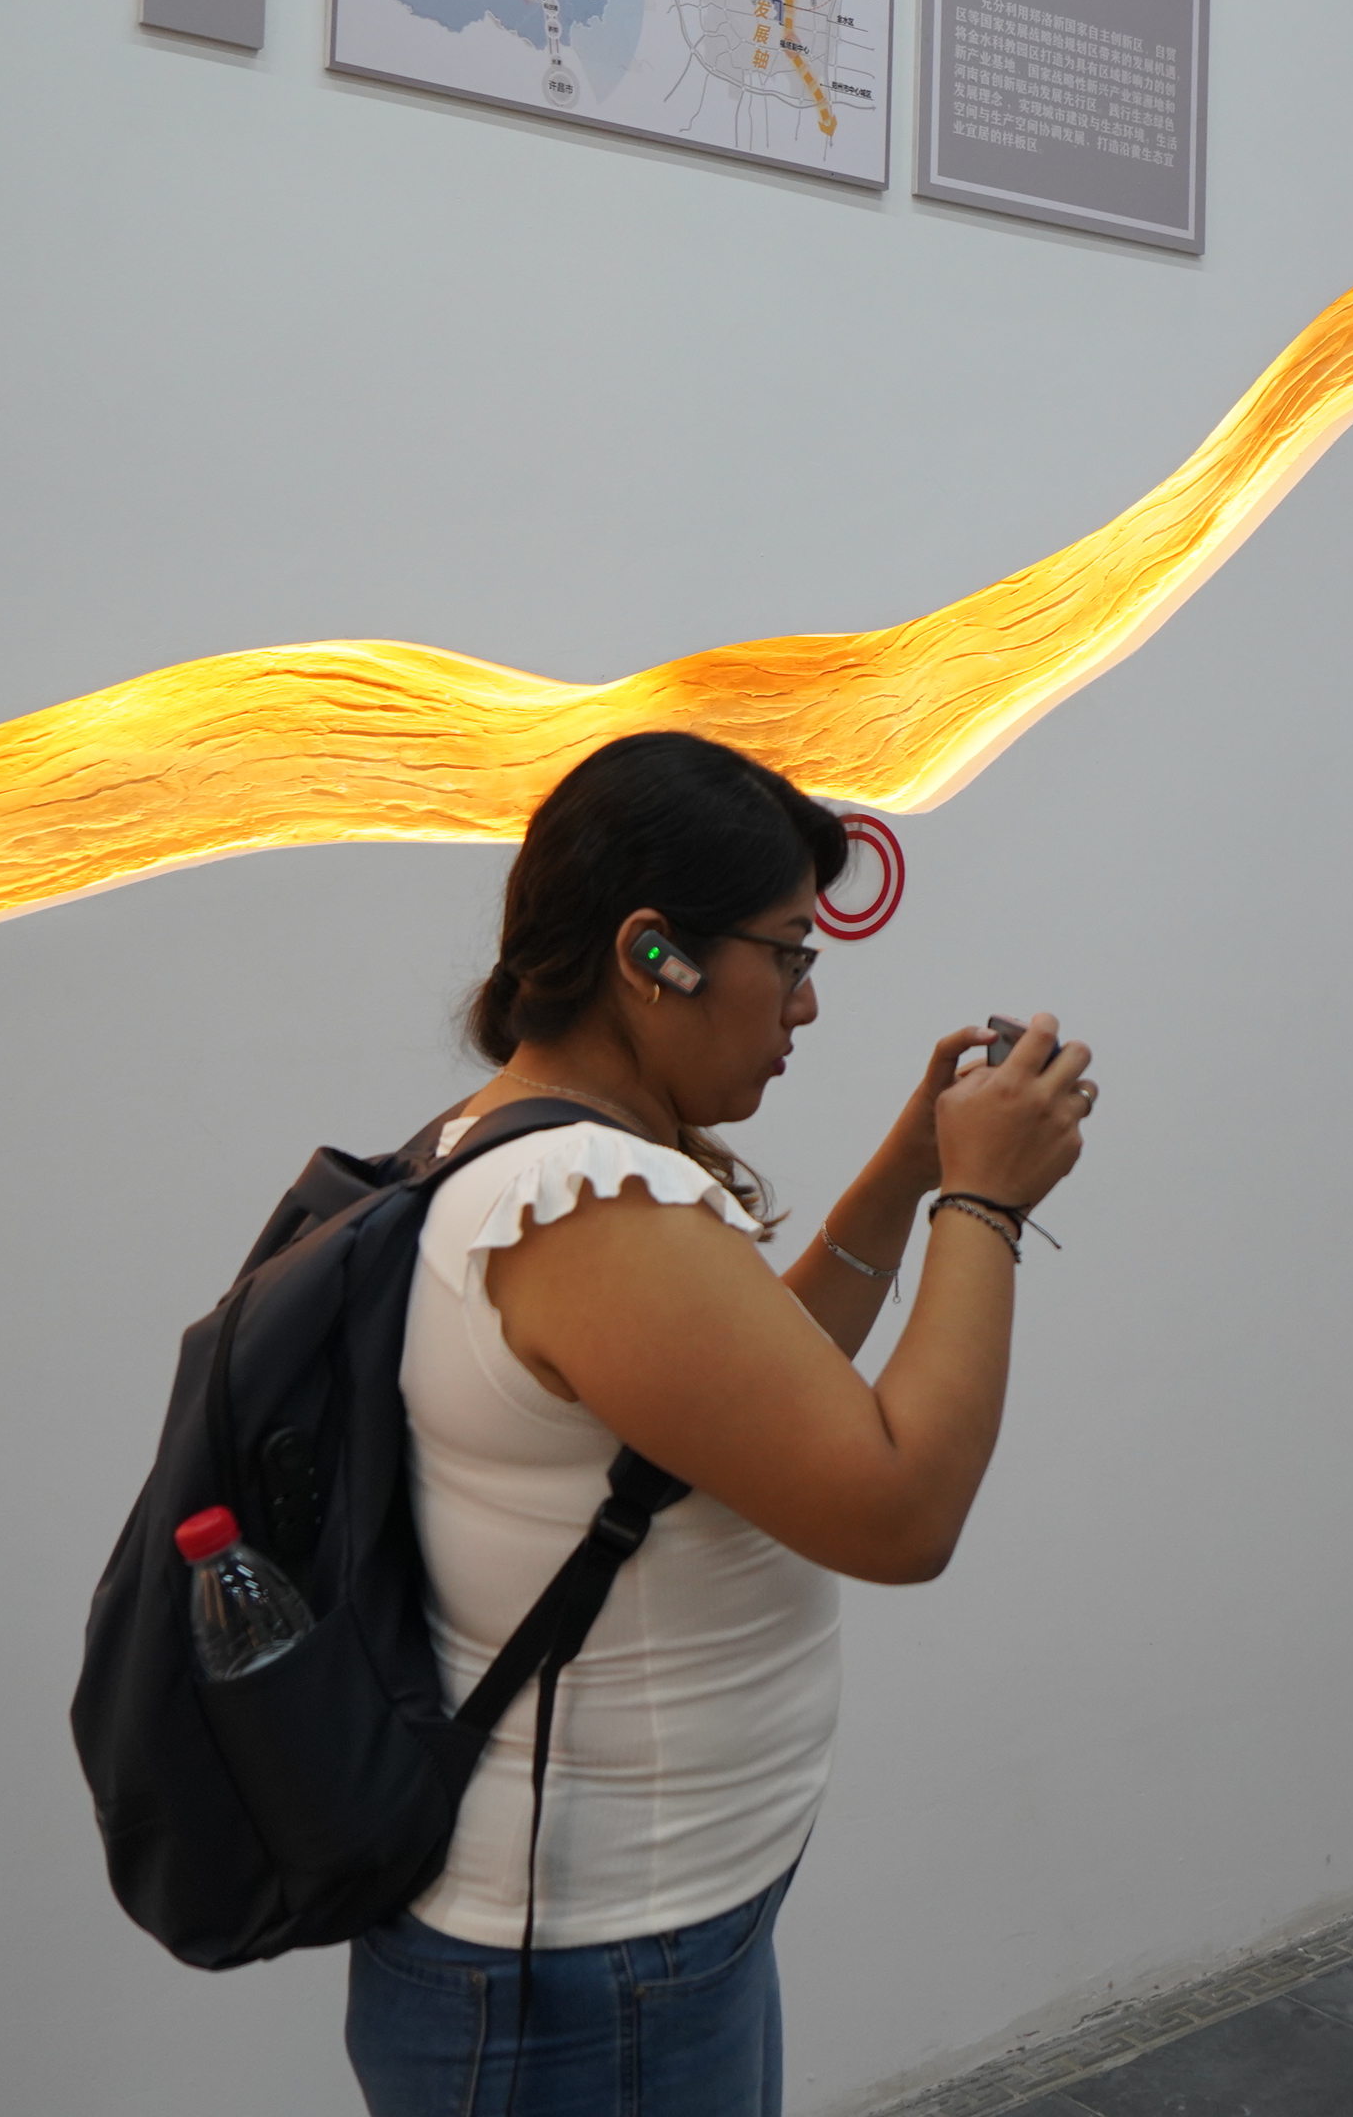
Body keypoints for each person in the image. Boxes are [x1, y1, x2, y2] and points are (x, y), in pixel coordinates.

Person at [345, 730, 1095, 2117]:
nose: (804, 1004)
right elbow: (897, 1509)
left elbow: (749, 1407)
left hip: (632, 1942)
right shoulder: (589, 1205)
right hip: (589, 1971)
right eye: (788, 956)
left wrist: (910, 1163)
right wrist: (981, 1209)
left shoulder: (543, 1152)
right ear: (652, 954)